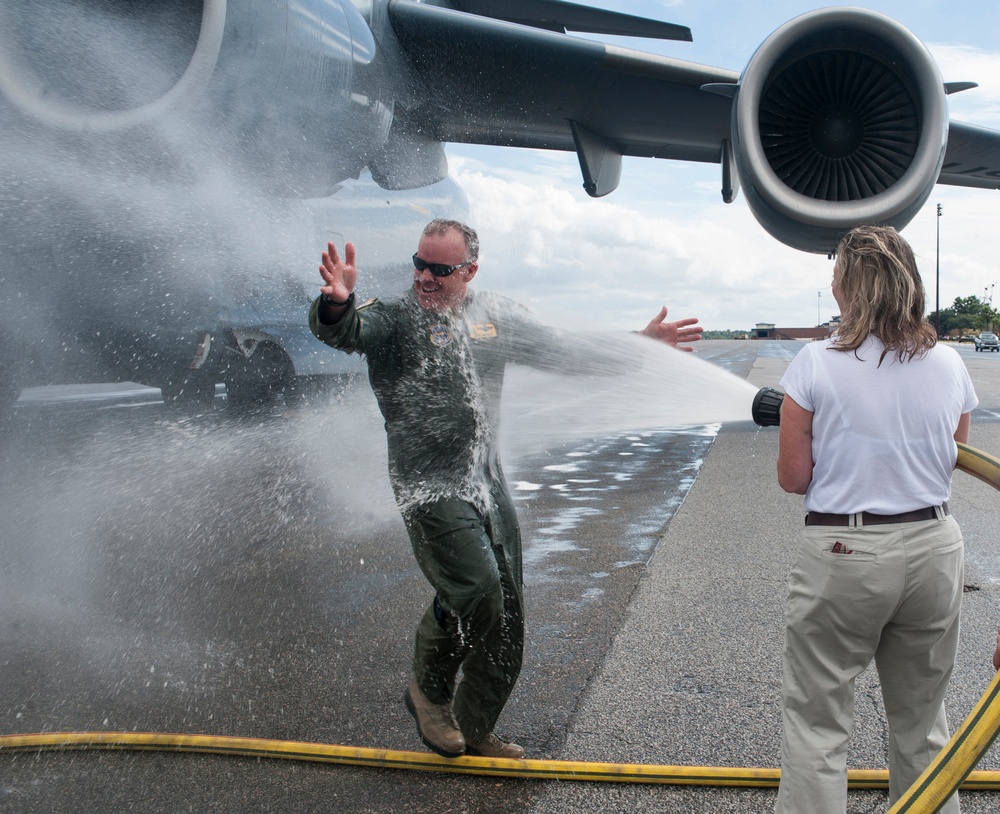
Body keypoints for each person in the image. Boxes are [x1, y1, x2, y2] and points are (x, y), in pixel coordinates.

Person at [309, 218, 701, 759]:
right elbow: (346, 331)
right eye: (419, 264)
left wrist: (641, 345)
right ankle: (428, 691)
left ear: (469, 270)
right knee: (475, 591)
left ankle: (474, 728)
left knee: (507, 612)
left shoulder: (494, 315)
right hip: (430, 486)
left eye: (440, 269)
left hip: (485, 482)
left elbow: (565, 352)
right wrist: (336, 303)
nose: (425, 277)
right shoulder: (395, 318)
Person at [773, 225, 977, 813]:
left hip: (847, 550)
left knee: (818, 719)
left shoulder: (815, 362)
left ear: (846, 289)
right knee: (923, 717)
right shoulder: (949, 363)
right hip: (935, 545)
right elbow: (951, 456)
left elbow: (794, 478)